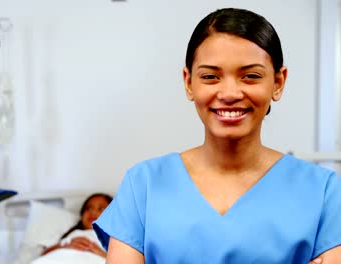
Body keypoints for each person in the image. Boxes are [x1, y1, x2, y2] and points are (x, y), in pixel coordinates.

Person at [93, 7, 341, 264]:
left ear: (278, 82)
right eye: (210, 76)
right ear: (188, 82)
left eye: (251, 76)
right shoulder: (143, 185)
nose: (230, 93)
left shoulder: (324, 191)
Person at [40, 193, 113, 258]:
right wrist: (65, 246)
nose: (93, 212)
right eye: (88, 208)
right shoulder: (75, 234)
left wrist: (101, 254)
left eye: (101, 209)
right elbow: (43, 254)